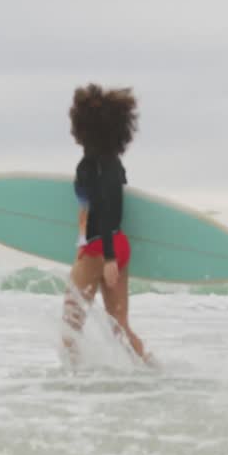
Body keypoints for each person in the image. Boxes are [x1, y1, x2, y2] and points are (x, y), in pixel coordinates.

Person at [62, 84, 150, 364]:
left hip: (101, 247)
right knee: (119, 328)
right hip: (110, 245)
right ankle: (157, 374)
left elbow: (105, 210)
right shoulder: (111, 163)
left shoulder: (93, 165)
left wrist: (106, 256)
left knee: (70, 326)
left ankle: (70, 386)